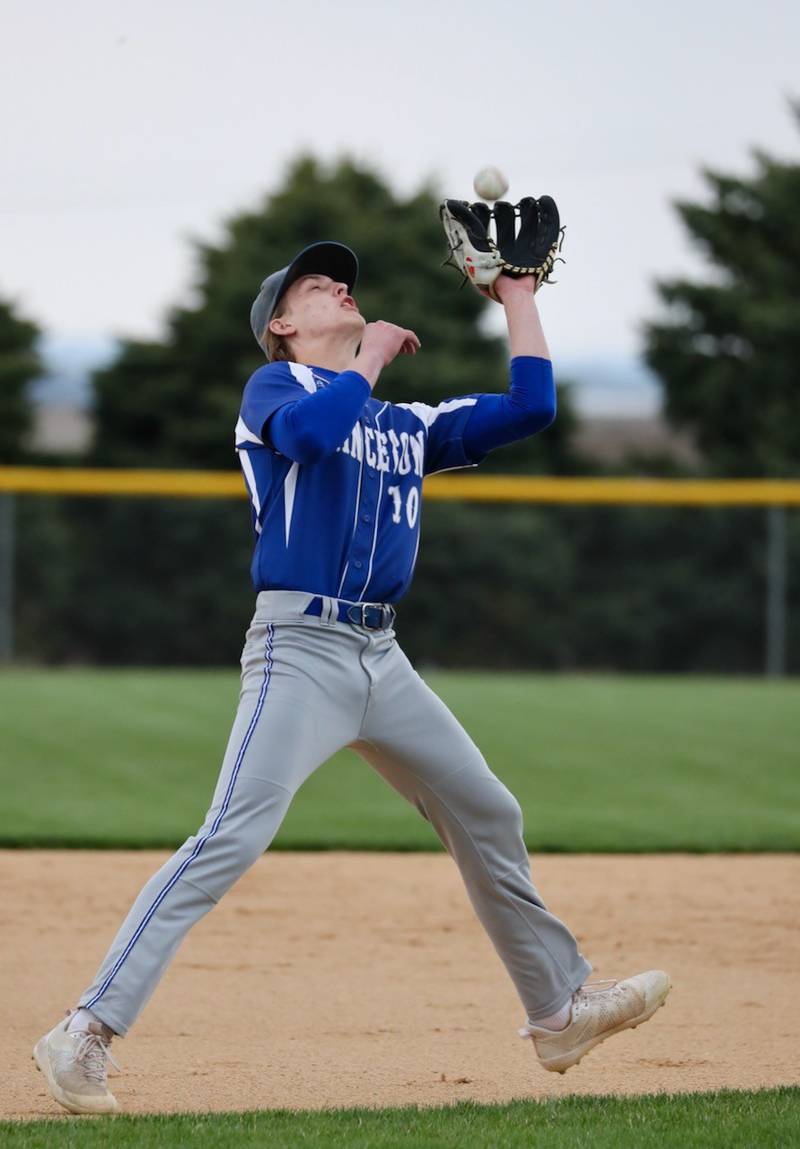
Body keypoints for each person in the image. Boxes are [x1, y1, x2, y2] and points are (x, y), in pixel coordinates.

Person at [33, 241, 670, 1115]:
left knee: (487, 809)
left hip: (383, 656)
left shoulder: (405, 424)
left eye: (343, 282)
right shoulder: (276, 391)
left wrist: (516, 295)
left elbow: (532, 406)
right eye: (315, 285)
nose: (339, 286)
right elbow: (309, 435)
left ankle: (558, 1012)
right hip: (297, 650)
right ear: (283, 326)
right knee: (228, 837)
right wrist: (367, 359)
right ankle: (83, 1032)